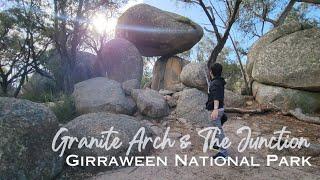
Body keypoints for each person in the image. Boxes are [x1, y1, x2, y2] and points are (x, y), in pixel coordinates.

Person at [205, 63, 228, 158]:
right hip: (220, 108)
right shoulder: (219, 81)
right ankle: (217, 144)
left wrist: (215, 109)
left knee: (218, 130)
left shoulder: (215, 83)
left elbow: (216, 97)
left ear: (211, 72)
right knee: (215, 128)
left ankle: (224, 153)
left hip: (216, 109)